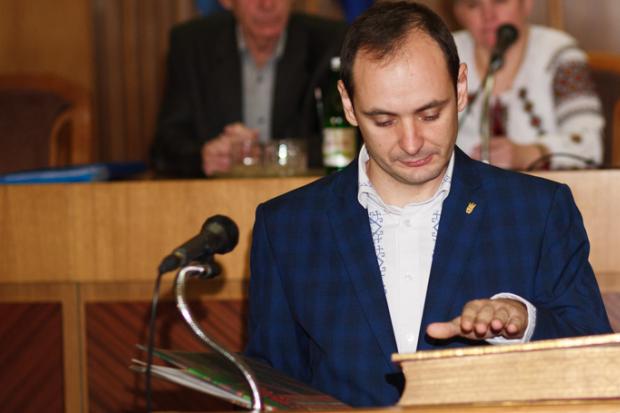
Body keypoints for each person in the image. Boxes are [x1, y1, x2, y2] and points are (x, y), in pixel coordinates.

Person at [245, 1, 612, 408]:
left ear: (460, 87)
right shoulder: (287, 227)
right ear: (347, 104)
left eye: (430, 114)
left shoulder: (537, 211)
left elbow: (595, 364)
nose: (411, 142)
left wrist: (527, 323)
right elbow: (271, 389)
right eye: (384, 121)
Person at [150, 0, 347, 177]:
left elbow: (350, 138)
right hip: (215, 197)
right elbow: (164, 147)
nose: (268, 4)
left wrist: (263, 153)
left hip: (303, 196)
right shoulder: (191, 45)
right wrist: (203, 156)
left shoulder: (331, 42)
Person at [452, 0, 604, 170]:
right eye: (473, 5)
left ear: (526, 4)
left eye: (500, 1)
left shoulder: (560, 55)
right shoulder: (444, 54)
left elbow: (590, 147)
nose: (488, 16)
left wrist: (530, 154)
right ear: (458, 13)